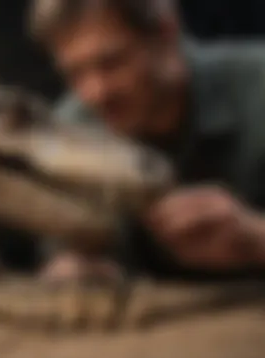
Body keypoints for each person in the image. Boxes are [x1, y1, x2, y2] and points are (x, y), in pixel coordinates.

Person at [28, 0, 265, 281]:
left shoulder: (257, 87)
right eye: (75, 74)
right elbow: (61, 257)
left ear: (166, 33)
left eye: (111, 63)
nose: (95, 93)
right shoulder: (70, 135)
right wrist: (76, 270)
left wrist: (254, 237)